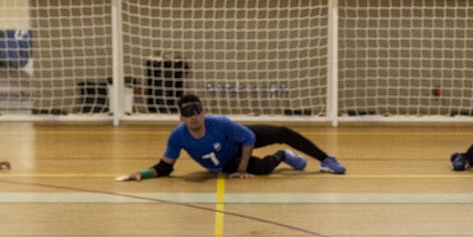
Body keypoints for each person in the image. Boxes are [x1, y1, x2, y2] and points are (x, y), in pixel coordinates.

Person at [119, 94, 346, 181]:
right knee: (263, 170)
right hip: (226, 162)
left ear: (203, 112)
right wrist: (143, 174)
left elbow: (248, 138)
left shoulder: (220, 123)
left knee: (282, 132)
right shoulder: (178, 136)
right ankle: (284, 156)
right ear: (181, 118)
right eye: (188, 114)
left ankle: (326, 160)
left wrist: (243, 168)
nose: (194, 117)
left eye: (197, 111)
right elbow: (166, 167)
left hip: (238, 141)